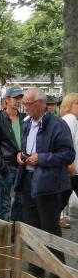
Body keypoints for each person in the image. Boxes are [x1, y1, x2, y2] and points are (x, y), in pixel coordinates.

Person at [16, 87, 75, 274]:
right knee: (31, 225)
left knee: (49, 227)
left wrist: (41, 158)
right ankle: (36, 267)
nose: (24, 107)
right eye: (23, 103)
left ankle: (59, 270)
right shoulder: (26, 124)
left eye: (28, 104)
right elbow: (26, 147)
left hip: (49, 183)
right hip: (28, 179)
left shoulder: (58, 125)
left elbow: (68, 155)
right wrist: (20, 155)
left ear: (41, 104)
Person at [0, 86, 24, 222]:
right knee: (3, 201)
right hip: (5, 166)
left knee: (21, 199)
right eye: (15, 98)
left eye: (20, 98)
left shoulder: (24, 119)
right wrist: (2, 166)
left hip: (22, 166)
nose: (18, 101)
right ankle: (3, 231)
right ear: (7, 100)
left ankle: (15, 228)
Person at [59, 93, 78, 228]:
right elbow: (66, 143)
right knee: (61, 197)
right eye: (77, 103)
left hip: (72, 168)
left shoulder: (70, 119)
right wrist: (69, 164)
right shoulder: (70, 118)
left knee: (62, 196)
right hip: (72, 168)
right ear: (68, 106)